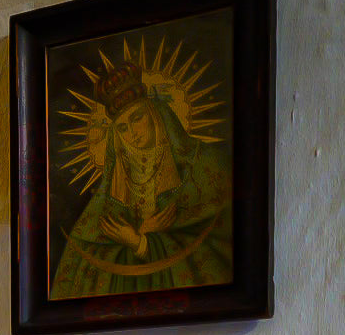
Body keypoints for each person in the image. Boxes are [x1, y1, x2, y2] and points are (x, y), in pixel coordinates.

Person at [50, 61, 233, 300]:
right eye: (122, 128)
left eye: (137, 118)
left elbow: (215, 245)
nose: (132, 133)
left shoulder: (205, 166)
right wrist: (138, 238)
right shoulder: (112, 191)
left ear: (156, 114)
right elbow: (86, 259)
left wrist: (141, 243)